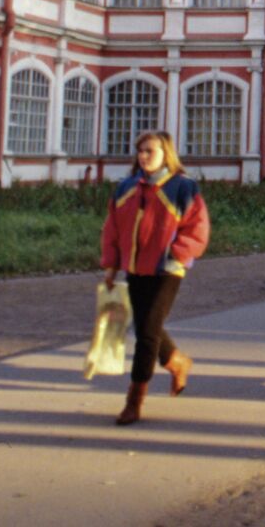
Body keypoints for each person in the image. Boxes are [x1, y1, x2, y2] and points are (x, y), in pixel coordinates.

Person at [101, 130, 210, 426]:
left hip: (168, 269)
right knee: (146, 326)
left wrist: (177, 254)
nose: (144, 157)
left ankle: (134, 400)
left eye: (151, 151)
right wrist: (111, 265)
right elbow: (112, 228)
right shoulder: (126, 188)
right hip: (135, 268)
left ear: (166, 154)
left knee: (148, 331)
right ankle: (177, 361)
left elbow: (198, 228)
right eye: (141, 151)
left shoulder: (182, 187)